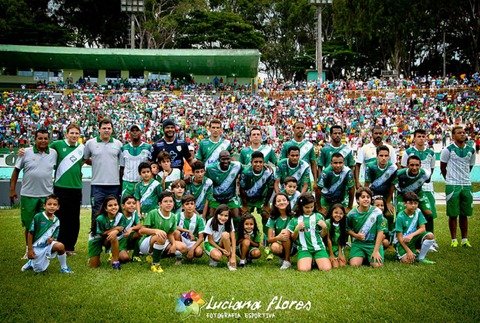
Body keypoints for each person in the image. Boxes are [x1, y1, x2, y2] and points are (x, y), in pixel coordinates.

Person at [10, 129, 57, 257]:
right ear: (35, 139)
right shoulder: (25, 152)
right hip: (29, 195)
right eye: (40, 138)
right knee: (30, 225)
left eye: (45, 138)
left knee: (46, 224)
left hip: (46, 196)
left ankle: (44, 249)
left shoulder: (53, 153)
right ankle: (28, 250)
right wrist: (12, 189)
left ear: (49, 140)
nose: (43, 141)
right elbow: (15, 172)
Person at [49, 123, 84, 256]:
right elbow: (43, 149)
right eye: (72, 133)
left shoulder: (82, 148)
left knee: (74, 218)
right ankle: (57, 244)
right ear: (66, 134)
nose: (74, 135)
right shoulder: (57, 145)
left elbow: (87, 160)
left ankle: (69, 247)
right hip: (60, 188)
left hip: (76, 188)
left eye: (76, 133)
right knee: (59, 217)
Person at [84, 118, 122, 233]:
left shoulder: (118, 144)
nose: (106, 130)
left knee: (114, 212)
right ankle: (95, 236)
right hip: (97, 184)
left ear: (112, 130)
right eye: (104, 128)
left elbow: (121, 164)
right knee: (96, 211)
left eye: (109, 128)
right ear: (99, 129)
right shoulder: (90, 143)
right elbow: (85, 159)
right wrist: (96, 163)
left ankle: (113, 237)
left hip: (114, 185)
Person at [440, 126, 476, 248]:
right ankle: (454, 239)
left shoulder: (471, 150)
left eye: (463, 132)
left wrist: (463, 177)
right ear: (453, 136)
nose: (462, 134)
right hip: (452, 185)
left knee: (465, 214)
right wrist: (449, 179)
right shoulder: (448, 150)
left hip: (466, 185)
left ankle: (465, 239)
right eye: (459, 133)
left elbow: (470, 166)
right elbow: (442, 167)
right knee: (453, 214)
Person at [21, 194, 73, 274]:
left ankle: (64, 268)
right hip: (36, 248)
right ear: (44, 206)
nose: (52, 206)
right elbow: (30, 233)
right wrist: (30, 250)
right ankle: (31, 262)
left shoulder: (57, 220)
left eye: (54, 204)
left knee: (60, 246)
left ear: (58, 207)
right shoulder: (38, 217)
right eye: (49, 204)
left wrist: (52, 239)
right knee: (40, 270)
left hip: (48, 245)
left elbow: (55, 235)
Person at [139, 191, 187, 273]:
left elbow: (170, 233)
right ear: (160, 204)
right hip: (146, 244)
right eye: (165, 201)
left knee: (183, 247)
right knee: (161, 236)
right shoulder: (153, 213)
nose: (168, 204)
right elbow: (141, 230)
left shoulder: (173, 217)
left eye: (171, 201)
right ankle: (155, 263)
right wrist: (155, 230)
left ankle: (157, 255)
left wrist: (174, 245)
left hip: (162, 240)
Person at [401, 129, 436, 233]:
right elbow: (403, 171)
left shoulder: (431, 153)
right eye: (419, 136)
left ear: (426, 138)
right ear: (414, 138)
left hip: (427, 188)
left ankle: (430, 240)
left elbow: (431, 170)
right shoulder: (407, 152)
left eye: (423, 136)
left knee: (429, 214)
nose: (421, 139)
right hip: (411, 189)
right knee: (410, 212)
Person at [287, 192, 331, 272]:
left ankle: (315, 260)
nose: (309, 209)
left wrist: (325, 228)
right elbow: (293, 238)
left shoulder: (318, 216)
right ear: (301, 206)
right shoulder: (295, 219)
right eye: (307, 207)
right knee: (303, 269)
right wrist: (297, 229)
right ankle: (311, 260)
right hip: (304, 249)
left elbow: (321, 235)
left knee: (326, 269)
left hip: (318, 248)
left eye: (312, 207)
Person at [239, 151, 275, 240]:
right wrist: (244, 205)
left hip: (261, 199)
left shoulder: (268, 172)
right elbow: (242, 189)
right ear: (251, 162)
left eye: (260, 162)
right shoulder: (246, 172)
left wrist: (266, 203)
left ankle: (267, 240)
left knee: (266, 215)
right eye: (255, 162)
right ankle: (243, 239)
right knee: (243, 217)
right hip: (247, 199)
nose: (258, 164)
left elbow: (271, 188)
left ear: (264, 163)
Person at [347, 187, 385, 268]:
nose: (366, 199)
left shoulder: (377, 212)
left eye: (368, 197)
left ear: (371, 199)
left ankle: (368, 256)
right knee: (354, 265)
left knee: (377, 266)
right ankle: (361, 256)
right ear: (357, 200)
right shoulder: (351, 214)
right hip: (358, 243)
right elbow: (347, 229)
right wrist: (356, 236)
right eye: (363, 197)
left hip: (373, 244)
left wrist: (376, 251)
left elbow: (380, 232)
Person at [88, 195, 129, 269]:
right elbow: (101, 233)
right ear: (105, 208)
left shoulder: (121, 216)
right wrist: (116, 229)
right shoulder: (100, 218)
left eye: (115, 205)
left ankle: (115, 262)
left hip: (112, 239)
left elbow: (122, 227)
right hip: (97, 239)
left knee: (114, 236)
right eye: (110, 205)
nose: (113, 207)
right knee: (93, 266)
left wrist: (116, 231)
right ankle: (93, 258)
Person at [394, 192, 436, 264]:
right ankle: (404, 254)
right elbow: (399, 238)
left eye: (415, 203)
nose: (413, 205)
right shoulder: (400, 216)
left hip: (412, 238)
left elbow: (423, 228)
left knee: (430, 235)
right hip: (402, 242)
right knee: (407, 261)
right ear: (405, 204)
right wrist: (408, 251)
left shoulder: (418, 212)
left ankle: (421, 258)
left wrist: (411, 235)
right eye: (410, 203)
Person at [364, 145, 397, 234]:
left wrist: (388, 202)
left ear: (389, 157)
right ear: (377, 156)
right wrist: (367, 200)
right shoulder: (370, 166)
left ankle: (389, 239)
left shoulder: (393, 168)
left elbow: (392, 186)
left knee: (389, 215)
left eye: (386, 156)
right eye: (381, 155)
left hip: (386, 196)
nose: (383, 158)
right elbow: (366, 186)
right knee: (370, 214)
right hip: (373, 194)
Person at [205, 150, 243, 219]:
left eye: (228, 159)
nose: (226, 161)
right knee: (211, 217)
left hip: (230, 198)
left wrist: (263, 165)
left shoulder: (236, 166)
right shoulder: (210, 169)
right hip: (215, 199)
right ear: (219, 159)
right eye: (223, 159)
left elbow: (248, 168)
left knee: (237, 217)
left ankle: (234, 229)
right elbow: (205, 182)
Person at [280, 121, 317, 188]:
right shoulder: (286, 145)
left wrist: (315, 181)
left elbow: (313, 163)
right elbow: (281, 163)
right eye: (298, 128)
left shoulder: (309, 145)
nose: (300, 130)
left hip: (305, 179)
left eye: (302, 128)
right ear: (293, 129)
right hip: (289, 179)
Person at [119, 124, 152, 198]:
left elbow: (151, 165)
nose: (135, 132)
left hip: (142, 182)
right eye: (132, 131)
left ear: (141, 132)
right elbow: (122, 168)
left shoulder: (148, 147)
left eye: (137, 130)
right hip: (127, 183)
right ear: (129, 133)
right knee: (125, 206)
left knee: (142, 206)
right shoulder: (124, 148)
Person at [202, 204, 237, 271]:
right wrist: (221, 249)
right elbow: (210, 240)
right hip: (210, 243)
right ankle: (213, 258)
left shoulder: (230, 221)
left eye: (226, 215)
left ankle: (229, 261)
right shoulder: (211, 221)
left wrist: (233, 256)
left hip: (221, 242)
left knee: (225, 234)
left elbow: (233, 239)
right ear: (216, 214)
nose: (223, 218)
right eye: (221, 215)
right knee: (217, 256)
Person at [266, 193, 294, 270]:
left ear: (288, 202)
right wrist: (278, 237)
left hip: (294, 243)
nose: (282, 202)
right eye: (278, 201)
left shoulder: (293, 215)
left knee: (285, 232)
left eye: (284, 200)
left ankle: (287, 260)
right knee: (275, 247)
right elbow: (269, 239)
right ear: (275, 204)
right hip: (281, 242)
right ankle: (284, 258)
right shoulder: (273, 218)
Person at [174, 194, 205, 261]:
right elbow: (172, 226)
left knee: (199, 252)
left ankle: (188, 253)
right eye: (187, 204)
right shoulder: (178, 216)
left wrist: (192, 249)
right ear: (183, 206)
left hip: (192, 241)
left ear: (195, 206)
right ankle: (179, 256)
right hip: (180, 240)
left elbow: (201, 238)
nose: (190, 206)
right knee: (176, 232)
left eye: (192, 204)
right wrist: (187, 231)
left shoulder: (199, 219)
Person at [119, 195, 143, 262]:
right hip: (119, 241)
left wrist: (131, 228)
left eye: (134, 203)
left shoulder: (134, 214)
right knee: (125, 258)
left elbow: (140, 225)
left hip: (128, 238)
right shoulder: (119, 215)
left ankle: (135, 255)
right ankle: (113, 253)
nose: (132, 205)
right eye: (129, 203)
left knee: (140, 232)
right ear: (123, 206)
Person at [326, 204, 347, 269]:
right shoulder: (327, 222)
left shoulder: (343, 223)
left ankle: (339, 255)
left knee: (342, 265)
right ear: (331, 212)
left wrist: (340, 254)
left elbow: (341, 239)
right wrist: (331, 255)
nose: (338, 215)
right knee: (335, 266)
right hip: (329, 247)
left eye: (341, 213)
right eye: (336, 212)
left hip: (338, 247)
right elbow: (328, 239)